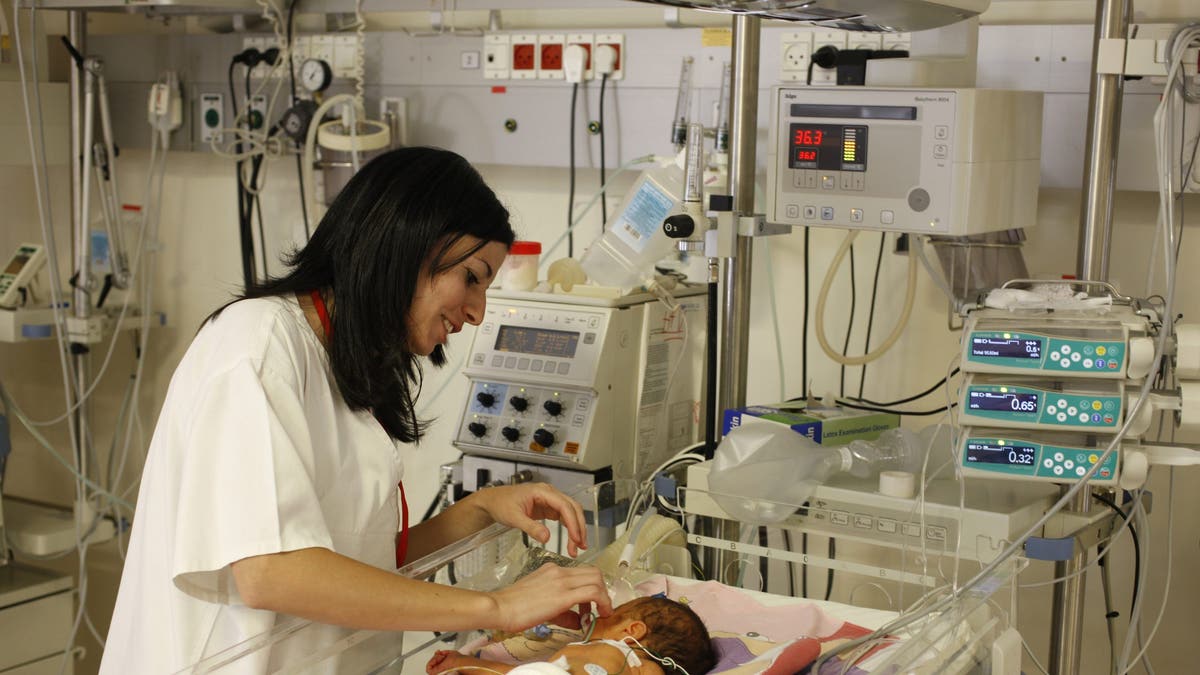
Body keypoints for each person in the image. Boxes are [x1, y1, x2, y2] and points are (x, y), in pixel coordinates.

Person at [100, 147, 612, 673]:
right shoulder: (257, 345)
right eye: (472, 277)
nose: (478, 311)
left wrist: (479, 510)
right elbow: (271, 571)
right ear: (409, 244)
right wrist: (498, 607)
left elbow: (359, 565)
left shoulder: (339, 363)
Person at [425, 596, 717, 675]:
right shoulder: (637, 666)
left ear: (632, 631)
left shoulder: (612, 652)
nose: (600, 614)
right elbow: (520, 672)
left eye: (614, 612)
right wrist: (464, 662)